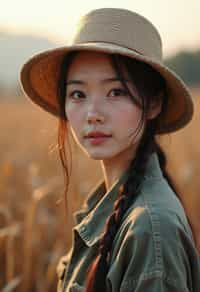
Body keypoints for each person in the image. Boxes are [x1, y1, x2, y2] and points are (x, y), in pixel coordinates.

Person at [20, 7, 200, 292]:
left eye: (116, 92)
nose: (93, 114)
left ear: (154, 103)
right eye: (77, 94)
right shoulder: (112, 205)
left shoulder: (150, 231)